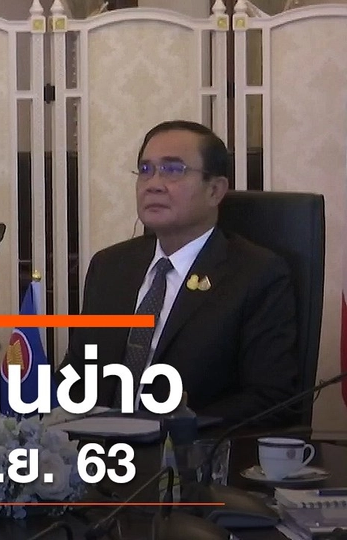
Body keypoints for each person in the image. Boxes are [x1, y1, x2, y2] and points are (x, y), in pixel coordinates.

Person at [59, 120, 298, 426]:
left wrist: (169, 427)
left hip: (189, 449)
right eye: (145, 170)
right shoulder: (109, 266)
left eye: (173, 170)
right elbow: (78, 372)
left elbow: (270, 398)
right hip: (97, 446)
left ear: (214, 190)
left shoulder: (257, 274)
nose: (153, 184)